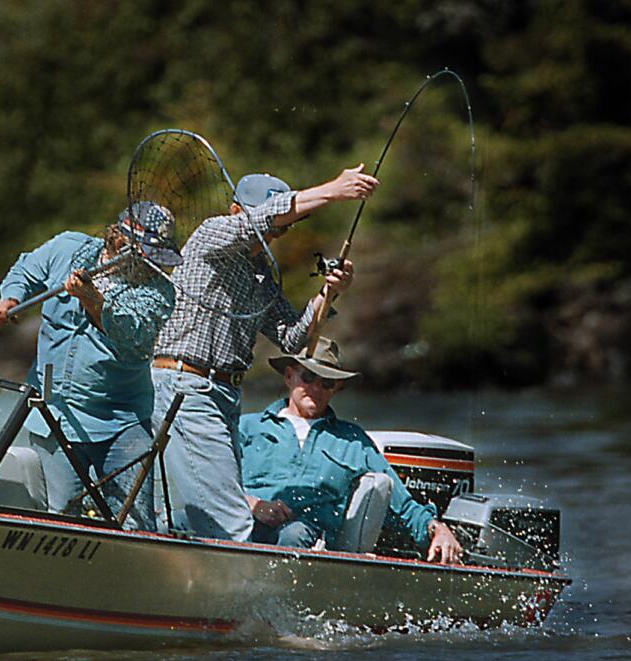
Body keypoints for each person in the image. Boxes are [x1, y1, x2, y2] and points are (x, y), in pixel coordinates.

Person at [151, 167, 376, 541]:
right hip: (185, 385)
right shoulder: (211, 235)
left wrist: (329, 293)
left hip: (223, 395)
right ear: (237, 211)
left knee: (220, 507)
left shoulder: (260, 276)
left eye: (281, 229)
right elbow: (264, 218)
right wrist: (333, 190)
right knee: (228, 518)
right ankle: (251, 596)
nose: (273, 234)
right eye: (270, 224)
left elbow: (292, 337)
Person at [0, 202, 181, 531]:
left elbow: (130, 333)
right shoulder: (68, 248)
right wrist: (11, 298)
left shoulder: (159, 290)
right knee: (61, 519)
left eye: (157, 255)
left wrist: (92, 300)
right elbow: (25, 270)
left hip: (121, 420)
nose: (151, 263)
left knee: (135, 522)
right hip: (54, 414)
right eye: (145, 252)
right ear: (119, 238)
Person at [238, 338, 463, 563]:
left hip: (308, 541)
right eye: (308, 377)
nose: (316, 388)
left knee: (294, 533)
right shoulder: (246, 427)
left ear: (337, 387)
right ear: (289, 376)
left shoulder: (354, 441)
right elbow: (210, 481)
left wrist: (437, 529)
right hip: (241, 524)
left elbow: (402, 505)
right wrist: (253, 505)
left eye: (327, 382)